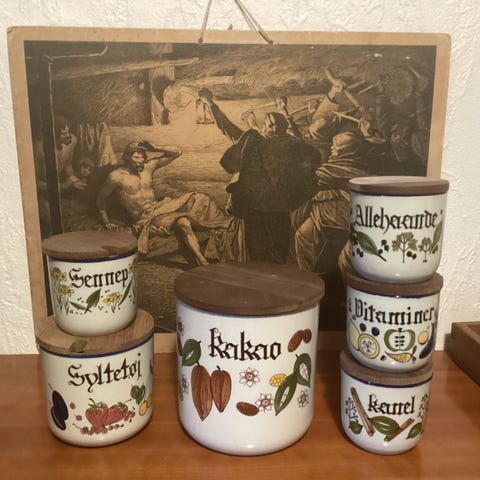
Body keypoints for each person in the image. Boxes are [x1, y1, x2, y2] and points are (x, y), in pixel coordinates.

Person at [198, 88, 322, 263]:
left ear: (266, 128)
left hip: (256, 208)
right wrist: (283, 114)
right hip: (280, 209)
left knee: (257, 252)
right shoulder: (294, 146)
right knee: (277, 252)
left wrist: (211, 104)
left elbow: (228, 129)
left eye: (268, 125)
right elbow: (311, 152)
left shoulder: (253, 141)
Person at [96, 140, 238, 266]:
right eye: (136, 157)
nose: (141, 161)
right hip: (147, 217)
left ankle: (222, 224)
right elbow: (101, 199)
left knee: (199, 198)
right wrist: (106, 222)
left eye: (143, 157)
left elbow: (177, 152)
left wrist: (156, 148)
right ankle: (201, 261)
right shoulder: (115, 177)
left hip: (162, 207)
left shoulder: (148, 167)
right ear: (127, 157)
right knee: (183, 222)